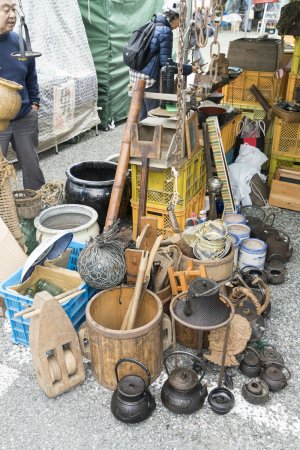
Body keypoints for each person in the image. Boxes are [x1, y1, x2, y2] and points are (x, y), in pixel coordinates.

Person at [0, 0, 45, 190]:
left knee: (31, 166)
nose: (12, 15)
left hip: (24, 116)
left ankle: (35, 206)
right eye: (5, 10)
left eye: (14, 9)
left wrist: (34, 102)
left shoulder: (18, 40)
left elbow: (31, 74)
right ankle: (3, 213)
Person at [129, 0, 198, 121]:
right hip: (147, 78)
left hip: (135, 74)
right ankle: (151, 138)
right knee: (153, 115)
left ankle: (139, 138)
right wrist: (189, 69)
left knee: (142, 113)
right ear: (174, 17)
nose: (179, 25)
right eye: (180, 21)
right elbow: (166, 65)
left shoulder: (151, 22)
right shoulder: (165, 31)